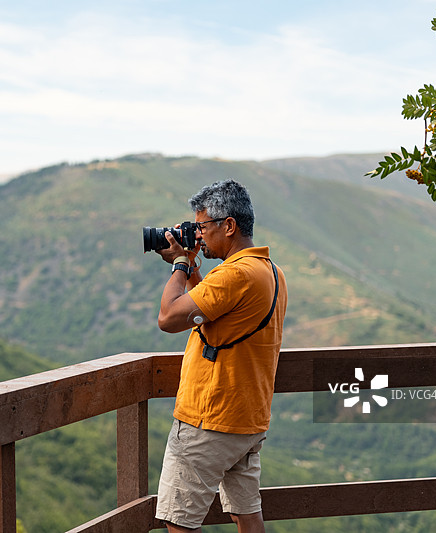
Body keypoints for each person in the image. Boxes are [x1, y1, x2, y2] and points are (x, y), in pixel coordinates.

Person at [152, 179, 288, 533]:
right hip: (247, 418)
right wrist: (195, 269)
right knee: (247, 514)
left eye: (202, 227)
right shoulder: (270, 271)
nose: (198, 236)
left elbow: (168, 318)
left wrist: (180, 264)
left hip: (209, 418)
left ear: (228, 226)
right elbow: (217, 312)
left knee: (179, 520)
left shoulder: (234, 274)